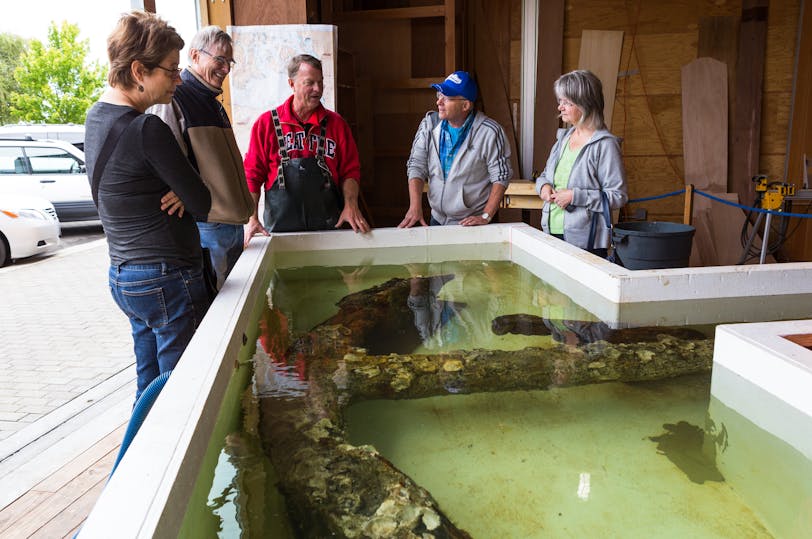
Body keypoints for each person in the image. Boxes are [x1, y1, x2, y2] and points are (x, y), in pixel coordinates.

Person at [84, 11, 212, 403]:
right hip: (166, 277)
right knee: (180, 392)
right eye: (171, 70)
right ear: (139, 70)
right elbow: (202, 203)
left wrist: (177, 186)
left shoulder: (95, 117)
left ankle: (137, 459)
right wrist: (182, 185)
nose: (178, 79)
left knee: (149, 386)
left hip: (124, 276)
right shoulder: (147, 128)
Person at [149, 26, 252, 290]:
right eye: (219, 60)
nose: (226, 69)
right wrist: (180, 190)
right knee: (216, 306)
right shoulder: (174, 98)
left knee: (235, 305)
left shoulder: (214, 103)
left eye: (229, 62)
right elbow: (163, 160)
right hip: (208, 226)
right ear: (195, 56)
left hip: (231, 223)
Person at [243, 54, 369, 240]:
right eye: (310, 83)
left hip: (329, 230)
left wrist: (351, 205)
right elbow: (252, 175)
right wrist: (251, 218)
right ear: (292, 84)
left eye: (320, 82)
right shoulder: (266, 124)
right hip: (281, 235)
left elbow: (350, 171)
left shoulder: (337, 124)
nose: (317, 89)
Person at [399, 71, 513, 227]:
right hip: (436, 219)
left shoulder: (490, 132)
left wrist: (486, 216)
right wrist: (415, 207)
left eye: (446, 98)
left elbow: (501, 176)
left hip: (470, 224)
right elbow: (416, 164)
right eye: (439, 95)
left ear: (465, 105)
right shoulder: (429, 124)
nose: (439, 102)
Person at [535, 69, 627, 257]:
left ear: (585, 105)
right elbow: (545, 176)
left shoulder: (605, 145)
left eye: (567, 102)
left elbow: (618, 196)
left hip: (587, 242)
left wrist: (575, 197)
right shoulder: (564, 138)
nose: (560, 107)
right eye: (560, 101)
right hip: (552, 232)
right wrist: (543, 186)